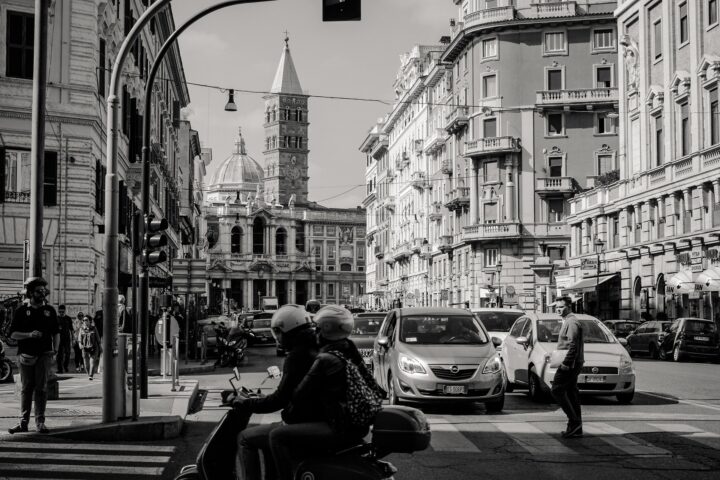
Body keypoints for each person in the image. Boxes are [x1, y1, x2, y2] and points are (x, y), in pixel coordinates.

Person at [268, 305, 376, 480]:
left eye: (317, 328)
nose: (314, 332)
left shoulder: (324, 358)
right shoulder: (347, 347)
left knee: (276, 436)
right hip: (357, 422)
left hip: (338, 423)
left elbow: (297, 395)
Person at [232, 304, 320, 480]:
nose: (277, 338)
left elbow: (280, 399)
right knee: (268, 438)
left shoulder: (297, 355)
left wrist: (246, 403)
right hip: (313, 417)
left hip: (303, 421)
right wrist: (262, 399)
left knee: (245, 438)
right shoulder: (313, 346)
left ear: (288, 330)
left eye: (278, 332)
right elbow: (291, 393)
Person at [8, 277, 59, 434]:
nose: (42, 294)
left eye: (44, 291)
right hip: (25, 356)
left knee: (41, 388)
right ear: (31, 293)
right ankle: (23, 422)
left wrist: (55, 350)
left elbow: (56, 332)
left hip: (44, 354)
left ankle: (40, 422)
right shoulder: (21, 311)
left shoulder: (49, 311)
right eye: (39, 291)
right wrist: (29, 334)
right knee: (26, 388)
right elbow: (13, 335)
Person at [551, 297, 584, 439]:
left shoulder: (571, 322)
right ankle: (576, 427)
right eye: (556, 307)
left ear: (569, 306)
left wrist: (566, 363)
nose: (558, 309)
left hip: (570, 364)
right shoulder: (568, 321)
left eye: (561, 307)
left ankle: (574, 421)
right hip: (572, 362)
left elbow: (573, 345)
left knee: (557, 389)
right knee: (571, 392)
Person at [78, 316, 101, 380]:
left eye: (86, 320)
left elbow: (98, 339)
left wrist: (100, 347)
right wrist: (80, 344)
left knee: (92, 362)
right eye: (84, 320)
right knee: (86, 364)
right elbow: (79, 339)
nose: (84, 321)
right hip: (85, 348)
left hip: (94, 347)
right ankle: (89, 374)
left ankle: (91, 375)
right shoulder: (81, 329)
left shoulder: (94, 328)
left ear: (90, 321)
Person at [56, 305, 73, 374]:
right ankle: (59, 369)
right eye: (60, 312)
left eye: (62, 312)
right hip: (59, 339)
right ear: (58, 311)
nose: (61, 313)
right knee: (59, 355)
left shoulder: (68, 318)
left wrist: (74, 338)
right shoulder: (56, 318)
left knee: (68, 353)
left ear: (65, 311)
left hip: (67, 339)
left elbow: (71, 329)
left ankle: (65, 366)